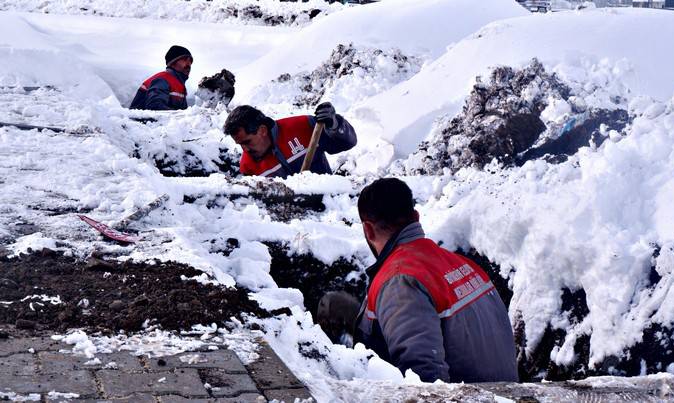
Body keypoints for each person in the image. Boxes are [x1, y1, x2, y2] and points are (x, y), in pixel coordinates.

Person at [322, 178, 519, 383]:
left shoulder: (400, 281)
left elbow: (424, 380)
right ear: (416, 217)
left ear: (368, 230)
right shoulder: (463, 264)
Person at [222, 103, 356, 177]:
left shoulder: (303, 126)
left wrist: (334, 125)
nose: (245, 150)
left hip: (329, 213)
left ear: (262, 130)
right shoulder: (248, 166)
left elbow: (347, 142)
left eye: (247, 142)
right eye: (240, 145)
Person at [130, 45, 192, 111]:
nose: (189, 64)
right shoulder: (162, 79)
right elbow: (155, 107)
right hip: (141, 121)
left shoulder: (179, 85)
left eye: (190, 61)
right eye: (185, 60)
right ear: (173, 62)